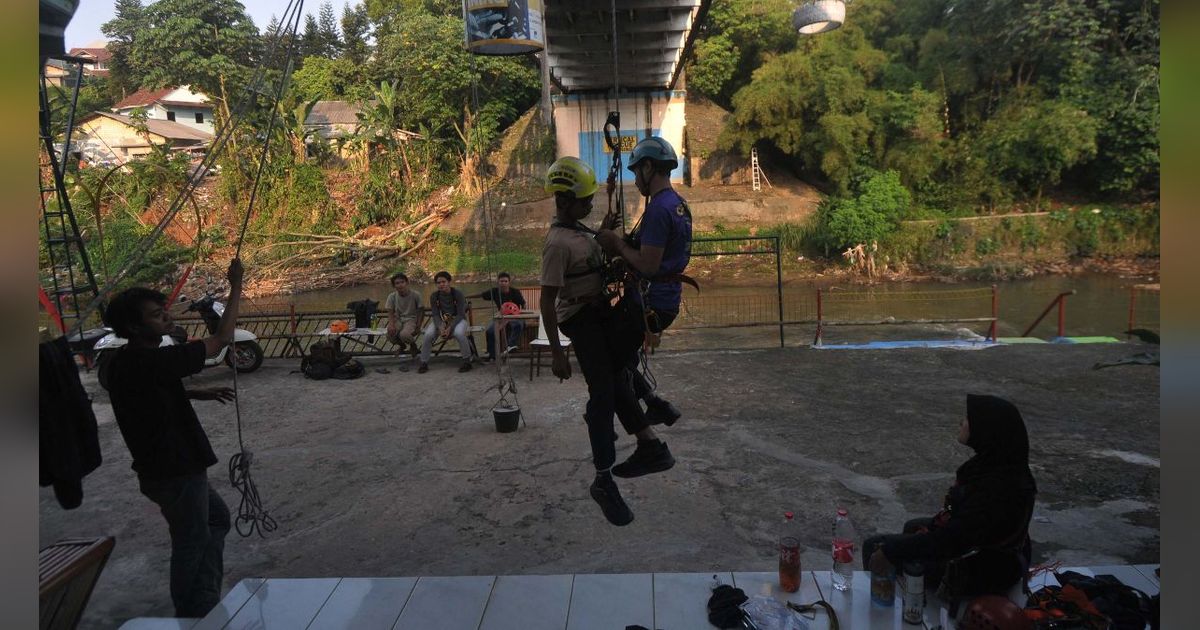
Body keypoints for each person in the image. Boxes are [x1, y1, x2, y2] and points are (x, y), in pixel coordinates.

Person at [97, 258, 245, 618]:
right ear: (134, 326)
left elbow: (142, 394)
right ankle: (193, 611)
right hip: (175, 468)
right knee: (191, 539)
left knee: (215, 522)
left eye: (163, 311)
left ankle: (203, 601)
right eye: (155, 315)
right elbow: (221, 339)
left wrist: (192, 395)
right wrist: (237, 284)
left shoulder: (121, 361)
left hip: (166, 468)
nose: (165, 318)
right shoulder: (153, 361)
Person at [540, 156, 675, 527]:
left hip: (599, 312)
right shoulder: (557, 244)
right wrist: (557, 353)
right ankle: (603, 477)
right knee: (603, 393)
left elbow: (591, 254)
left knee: (620, 370)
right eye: (583, 201)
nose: (588, 206)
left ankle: (650, 422)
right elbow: (547, 303)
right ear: (564, 201)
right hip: (580, 322)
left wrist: (605, 232)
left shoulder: (581, 232)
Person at [864, 394, 1038, 592]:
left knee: (875, 547)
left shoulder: (996, 490)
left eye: (968, 419)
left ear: (987, 430)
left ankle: (882, 607)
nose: (961, 422)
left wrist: (891, 550)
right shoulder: (998, 468)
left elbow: (950, 541)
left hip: (980, 569)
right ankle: (911, 592)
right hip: (991, 557)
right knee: (913, 527)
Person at [595, 135, 692, 428]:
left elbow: (649, 265)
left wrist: (617, 245)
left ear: (649, 168)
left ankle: (644, 430)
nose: (635, 180)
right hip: (662, 299)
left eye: (637, 172)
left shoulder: (659, 210)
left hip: (650, 302)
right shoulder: (676, 204)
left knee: (608, 362)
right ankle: (652, 403)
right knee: (619, 357)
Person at [419, 270, 473, 374]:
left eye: (443, 282)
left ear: (449, 282)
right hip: (442, 320)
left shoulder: (457, 294)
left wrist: (450, 328)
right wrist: (440, 326)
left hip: (459, 320)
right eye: (438, 283)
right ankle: (423, 362)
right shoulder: (434, 296)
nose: (441, 285)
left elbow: (461, 314)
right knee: (428, 334)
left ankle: (467, 361)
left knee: (459, 333)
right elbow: (435, 313)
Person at [475, 271, 527, 361]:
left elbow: (523, 304)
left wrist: (522, 314)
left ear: (509, 282)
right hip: (501, 316)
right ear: (498, 282)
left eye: (505, 281)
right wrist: (464, 297)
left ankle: (510, 346)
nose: (503, 283)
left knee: (519, 325)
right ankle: (492, 355)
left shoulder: (515, 292)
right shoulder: (495, 291)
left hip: (514, 316)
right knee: (490, 331)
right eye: (501, 281)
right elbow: (482, 295)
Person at [385, 272, 422, 369]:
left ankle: (413, 345)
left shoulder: (416, 295)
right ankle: (402, 346)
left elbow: (421, 311)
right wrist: (391, 324)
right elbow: (390, 312)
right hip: (398, 319)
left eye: (402, 282)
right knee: (390, 334)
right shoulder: (392, 296)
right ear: (394, 286)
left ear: (407, 282)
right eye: (397, 283)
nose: (400, 285)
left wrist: (418, 326)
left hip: (411, 319)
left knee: (404, 334)